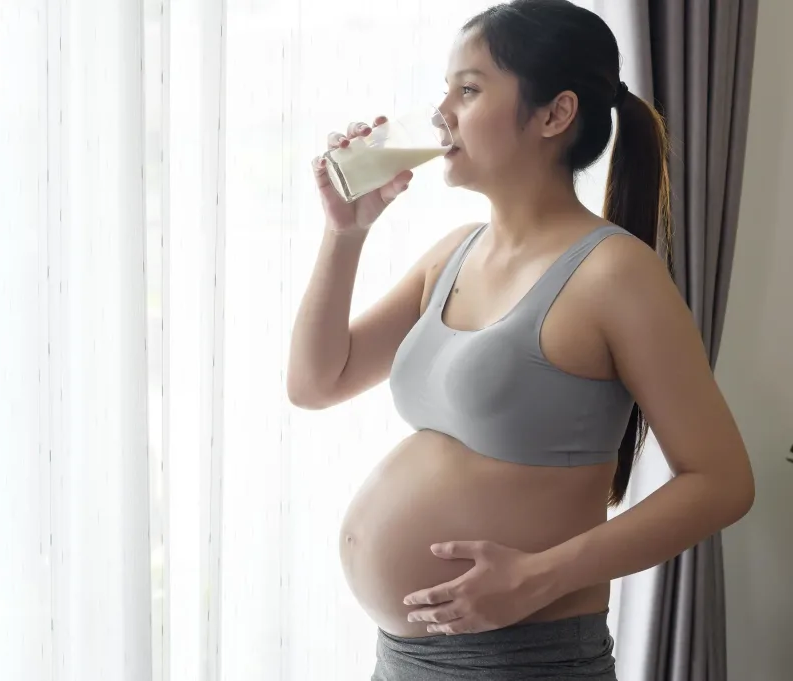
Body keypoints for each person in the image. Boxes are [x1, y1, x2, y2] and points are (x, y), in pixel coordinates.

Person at [285, 1, 755, 679]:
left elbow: (723, 481)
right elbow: (315, 382)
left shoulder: (615, 273)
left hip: (523, 660)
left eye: (468, 89)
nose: (442, 111)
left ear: (554, 115)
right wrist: (345, 233)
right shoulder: (452, 254)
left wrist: (538, 576)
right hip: (405, 658)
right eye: (445, 89)